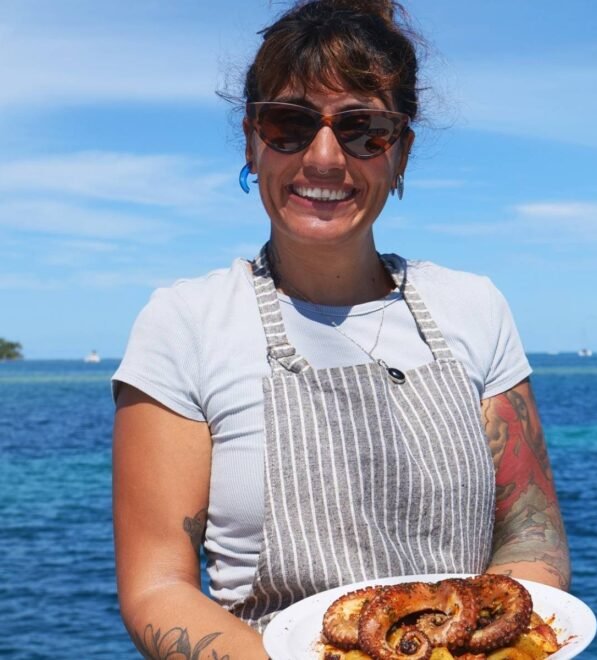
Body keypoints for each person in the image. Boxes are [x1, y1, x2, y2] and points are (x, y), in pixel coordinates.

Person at [112, 1, 570, 657]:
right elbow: (157, 587)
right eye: (289, 124)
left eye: (364, 130)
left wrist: (482, 642)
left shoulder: (475, 306)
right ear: (251, 139)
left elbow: (531, 537)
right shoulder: (183, 325)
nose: (324, 158)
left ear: (401, 150)